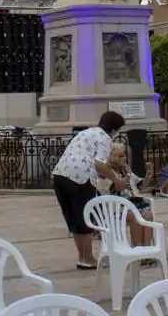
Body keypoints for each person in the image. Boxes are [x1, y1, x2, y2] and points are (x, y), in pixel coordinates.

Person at [52, 111, 127, 270]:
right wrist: (117, 180)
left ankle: (82, 257)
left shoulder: (86, 132)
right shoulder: (105, 138)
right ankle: (88, 258)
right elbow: (99, 164)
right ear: (114, 129)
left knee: (73, 217)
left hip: (60, 175)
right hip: (80, 178)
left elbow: (92, 163)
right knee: (84, 218)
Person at [101, 143, 156, 259]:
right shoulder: (105, 172)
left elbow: (140, 186)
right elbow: (119, 187)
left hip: (132, 203)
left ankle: (146, 252)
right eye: (120, 156)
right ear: (112, 157)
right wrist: (127, 174)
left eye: (124, 155)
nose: (123, 158)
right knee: (134, 216)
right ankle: (137, 250)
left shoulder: (125, 169)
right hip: (115, 207)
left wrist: (148, 175)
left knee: (148, 215)